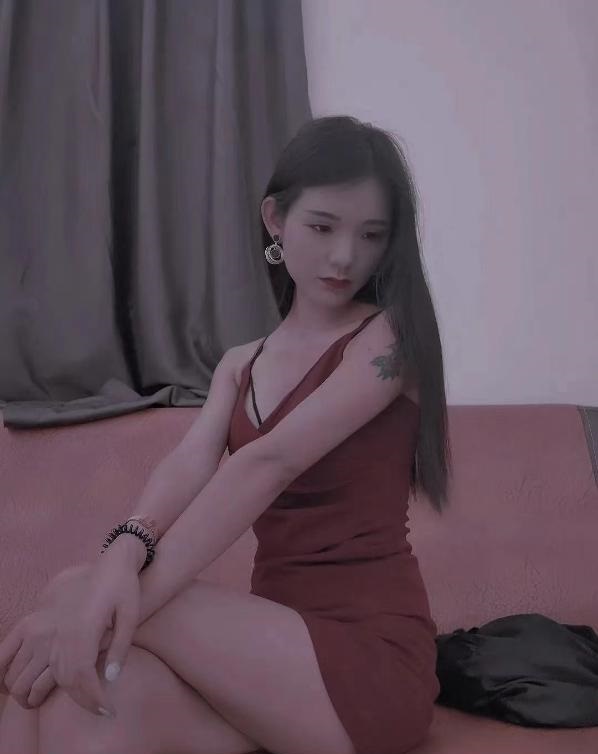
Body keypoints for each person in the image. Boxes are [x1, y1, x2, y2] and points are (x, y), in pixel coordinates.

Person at [0, 115, 451, 754]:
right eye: (322, 227)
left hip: (367, 663)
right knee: (75, 711)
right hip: (262, 655)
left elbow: (268, 462)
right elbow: (188, 463)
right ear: (276, 220)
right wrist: (123, 553)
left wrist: (103, 601)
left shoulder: (390, 340)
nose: (344, 256)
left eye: (370, 235)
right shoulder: (240, 364)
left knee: (73, 594)